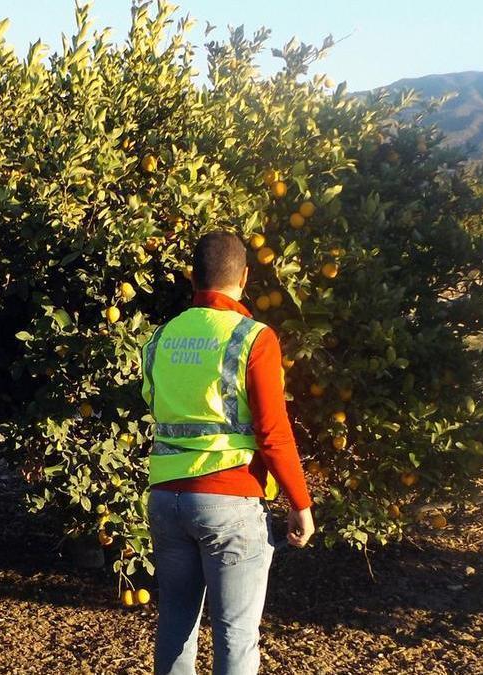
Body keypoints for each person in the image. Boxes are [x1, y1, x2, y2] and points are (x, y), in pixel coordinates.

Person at [141, 230, 315, 675]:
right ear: (244, 276)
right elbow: (273, 432)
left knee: (176, 623)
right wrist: (300, 502)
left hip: (165, 498)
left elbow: (154, 401)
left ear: (192, 277)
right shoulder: (253, 337)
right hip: (229, 500)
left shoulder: (161, 338)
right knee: (235, 635)